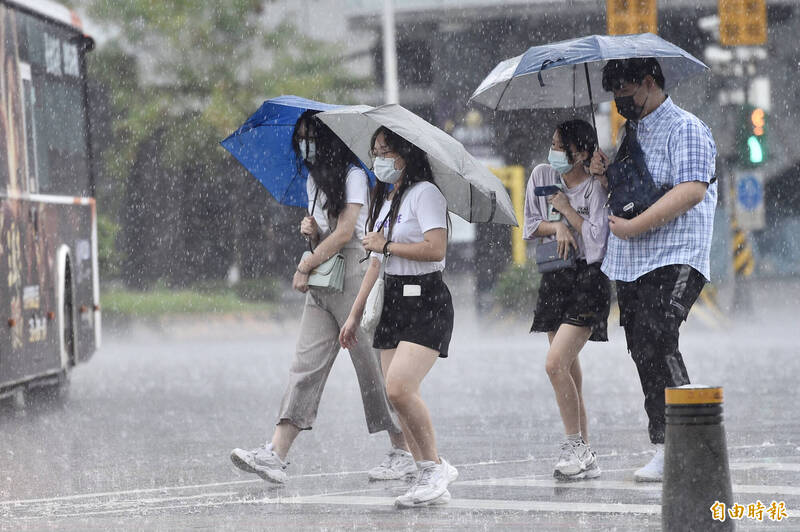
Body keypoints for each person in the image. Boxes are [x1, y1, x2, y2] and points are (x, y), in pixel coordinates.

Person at [230, 111, 415, 484]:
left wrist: (305, 264)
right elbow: (327, 231)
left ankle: (404, 451)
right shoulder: (314, 180)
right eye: (299, 138)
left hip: (353, 274)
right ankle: (276, 455)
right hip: (323, 278)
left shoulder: (354, 176)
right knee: (305, 365)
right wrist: (311, 231)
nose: (304, 144)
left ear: (327, 139)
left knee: (372, 368)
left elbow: (347, 231)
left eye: (310, 136)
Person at [590, 58, 718, 482]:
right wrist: (604, 174)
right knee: (642, 345)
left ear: (649, 82)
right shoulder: (630, 133)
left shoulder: (687, 128)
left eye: (624, 91)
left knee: (661, 333)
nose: (619, 101)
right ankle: (666, 445)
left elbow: (692, 189)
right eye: (613, 94)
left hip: (676, 253)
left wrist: (635, 226)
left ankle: (692, 443)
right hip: (633, 260)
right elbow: (630, 192)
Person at [339, 126, 457, 508]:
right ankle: (427, 470)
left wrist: (388, 244)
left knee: (399, 388)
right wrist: (354, 316)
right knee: (398, 396)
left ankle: (434, 467)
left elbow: (435, 249)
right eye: (374, 151)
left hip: (426, 298)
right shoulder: (385, 199)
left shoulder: (426, 194)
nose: (378, 159)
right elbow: (375, 264)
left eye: (385, 150)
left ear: (405, 153)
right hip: (392, 300)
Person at [524, 119, 610, 481]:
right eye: (554, 143)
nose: (554, 152)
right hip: (555, 278)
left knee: (555, 363)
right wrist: (555, 225)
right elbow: (530, 224)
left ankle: (575, 443)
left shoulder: (596, 188)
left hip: (587, 282)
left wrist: (567, 211)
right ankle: (585, 452)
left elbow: (596, 244)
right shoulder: (543, 174)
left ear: (583, 153)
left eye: (563, 147)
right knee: (569, 368)